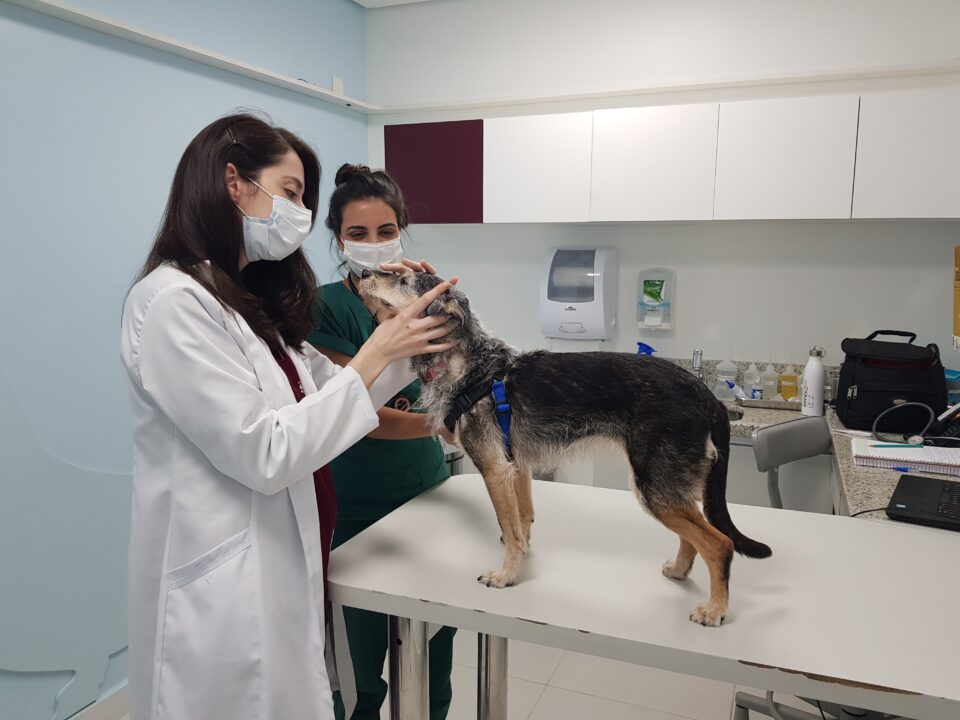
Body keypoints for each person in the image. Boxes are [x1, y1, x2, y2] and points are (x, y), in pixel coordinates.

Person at [120, 114, 454, 720]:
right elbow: (266, 453)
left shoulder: (246, 306)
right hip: (223, 583)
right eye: (292, 192)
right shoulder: (174, 304)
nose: (298, 213)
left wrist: (408, 333)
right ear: (233, 182)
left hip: (282, 558)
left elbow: (341, 396)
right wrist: (378, 351)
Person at [309, 164, 457, 720]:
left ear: (403, 231)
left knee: (433, 657)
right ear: (337, 239)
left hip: (426, 490)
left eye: (386, 231)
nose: (374, 245)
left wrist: (432, 307)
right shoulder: (322, 306)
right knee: (358, 672)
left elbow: (449, 376)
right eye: (357, 234)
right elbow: (356, 406)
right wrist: (440, 422)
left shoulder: (423, 298)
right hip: (354, 504)